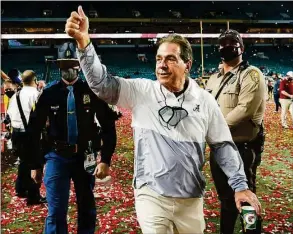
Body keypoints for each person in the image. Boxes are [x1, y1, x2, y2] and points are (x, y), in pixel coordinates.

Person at [65, 7, 262, 234]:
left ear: (187, 65)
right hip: (151, 195)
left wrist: (240, 186)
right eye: (159, 58)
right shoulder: (142, 91)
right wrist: (84, 43)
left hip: (190, 198)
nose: (161, 64)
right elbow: (102, 85)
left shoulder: (205, 101)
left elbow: (223, 146)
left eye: (170, 58)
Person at [26, 42, 117, 234]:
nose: (70, 69)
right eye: (65, 65)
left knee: (86, 207)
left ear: (80, 65)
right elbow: (33, 130)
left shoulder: (91, 92)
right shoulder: (48, 94)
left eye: (74, 64)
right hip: (56, 156)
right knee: (56, 209)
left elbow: (108, 125)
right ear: (59, 66)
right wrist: (35, 165)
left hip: (85, 156)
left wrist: (106, 159)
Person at [206, 29, 266, 234]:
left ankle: (252, 232)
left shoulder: (252, 74)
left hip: (242, 146)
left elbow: (244, 109)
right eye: (222, 44)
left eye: (231, 43)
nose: (226, 48)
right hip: (218, 147)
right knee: (225, 198)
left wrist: (212, 127)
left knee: (246, 198)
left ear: (242, 47)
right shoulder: (214, 77)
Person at [7, 70, 46, 205]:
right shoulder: (36, 94)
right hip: (30, 133)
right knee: (35, 163)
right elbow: (42, 116)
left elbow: (10, 114)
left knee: (23, 160)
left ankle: (20, 188)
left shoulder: (16, 95)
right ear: (34, 80)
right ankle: (33, 196)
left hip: (16, 133)